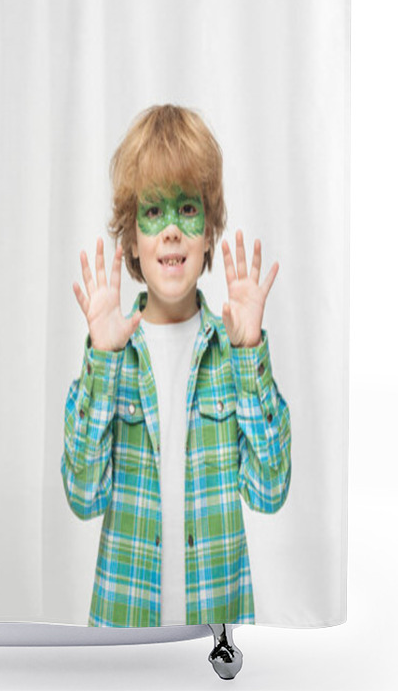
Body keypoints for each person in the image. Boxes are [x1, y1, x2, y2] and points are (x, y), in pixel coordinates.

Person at [62, 104, 291, 627]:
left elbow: (271, 489)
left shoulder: (232, 350)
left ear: (208, 232)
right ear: (131, 241)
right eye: (153, 212)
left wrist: (251, 349)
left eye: (186, 210)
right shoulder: (112, 352)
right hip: (124, 638)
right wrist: (103, 359)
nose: (170, 232)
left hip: (214, 638)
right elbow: (81, 495)